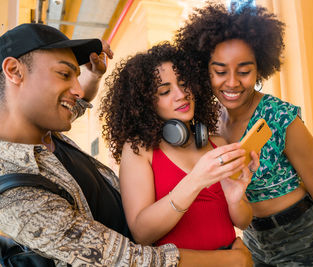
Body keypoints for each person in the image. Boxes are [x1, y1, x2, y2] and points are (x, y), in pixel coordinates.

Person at [0, 23, 254, 266]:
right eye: (65, 74)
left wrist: (93, 75)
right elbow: (123, 259)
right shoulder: (14, 192)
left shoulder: (42, 133)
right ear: (14, 71)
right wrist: (230, 261)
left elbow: (72, 104)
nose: (77, 89)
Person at [175, 3, 313, 267]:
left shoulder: (280, 117)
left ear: (260, 68)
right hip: (253, 242)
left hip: (302, 238)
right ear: (205, 70)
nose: (233, 82)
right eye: (220, 71)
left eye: (244, 71)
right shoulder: (208, 122)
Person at [99, 42, 258, 250]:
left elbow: (243, 221)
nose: (181, 94)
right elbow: (141, 233)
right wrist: (196, 180)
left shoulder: (216, 143)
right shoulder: (139, 149)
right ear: (146, 103)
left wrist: (235, 198)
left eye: (184, 84)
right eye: (165, 91)